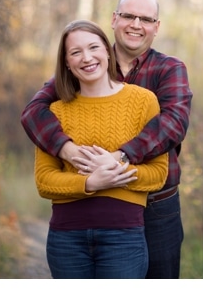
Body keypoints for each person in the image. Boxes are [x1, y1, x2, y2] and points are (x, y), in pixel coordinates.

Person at [22, 0, 193, 278]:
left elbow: (173, 124)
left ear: (156, 27)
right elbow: (33, 112)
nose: (136, 24)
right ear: (114, 20)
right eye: (128, 16)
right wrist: (69, 151)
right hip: (88, 209)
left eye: (146, 19)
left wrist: (120, 158)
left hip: (156, 203)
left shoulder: (168, 69)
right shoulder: (88, 60)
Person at [35, 20, 167, 278]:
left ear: (108, 51)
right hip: (66, 238)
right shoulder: (56, 111)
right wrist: (91, 183)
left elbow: (158, 174)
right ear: (66, 62)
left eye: (93, 47)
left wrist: (116, 171)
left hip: (124, 238)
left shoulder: (143, 101)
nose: (86, 58)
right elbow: (44, 180)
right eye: (75, 52)